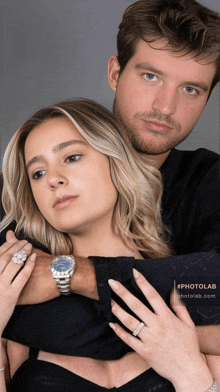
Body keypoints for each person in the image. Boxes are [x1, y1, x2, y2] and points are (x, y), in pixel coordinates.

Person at [0, 0, 220, 363]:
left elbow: (213, 283)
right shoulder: (45, 187)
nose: (165, 107)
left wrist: (73, 275)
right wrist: (186, 332)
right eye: (151, 76)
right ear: (115, 73)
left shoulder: (208, 181)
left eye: (191, 90)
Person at [0, 98, 219, 391]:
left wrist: (191, 375)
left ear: (117, 160)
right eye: (37, 173)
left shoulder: (196, 302)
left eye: (72, 157)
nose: (53, 179)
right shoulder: (18, 319)